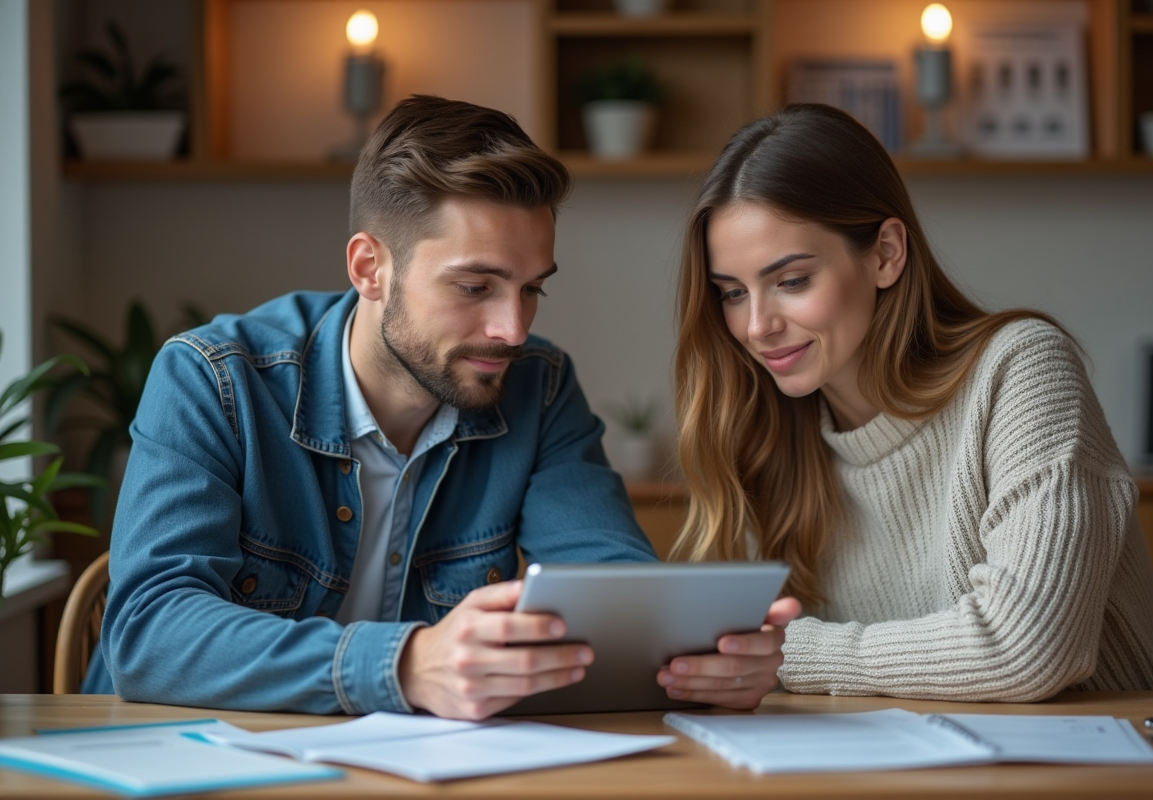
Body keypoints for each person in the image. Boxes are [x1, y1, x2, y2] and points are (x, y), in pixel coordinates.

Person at [93, 95, 796, 719]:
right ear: (371, 268)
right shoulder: (213, 379)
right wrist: (404, 665)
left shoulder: (539, 387)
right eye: (475, 287)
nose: (512, 329)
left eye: (531, 289)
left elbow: (610, 593)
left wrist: (695, 664)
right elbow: (149, 632)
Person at [665, 103, 1153, 704]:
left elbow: (1030, 648)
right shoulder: (768, 435)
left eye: (791, 281)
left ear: (886, 253)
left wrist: (786, 653)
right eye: (732, 293)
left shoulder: (1021, 369)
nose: (757, 326)